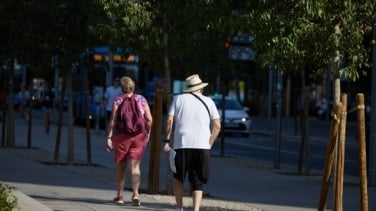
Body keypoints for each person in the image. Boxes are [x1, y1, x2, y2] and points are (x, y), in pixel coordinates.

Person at [163, 74, 221, 211]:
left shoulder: (177, 99)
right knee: (197, 180)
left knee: (178, 178)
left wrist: (166, 141)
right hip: (202, 146)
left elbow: (169, 121)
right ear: (200, 88)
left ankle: (179, 208)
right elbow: (217, 126)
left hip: (181, 144)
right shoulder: (209, 101)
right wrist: (210, 143)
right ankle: (195, 209)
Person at [105, 76, 152, 206]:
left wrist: (109, 137)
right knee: (135, 167)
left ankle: (120, 196)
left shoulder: (118, 100)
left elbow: (113, 120)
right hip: (139, 137)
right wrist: (147, 134)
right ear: (133, 87)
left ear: (122, 88)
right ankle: (136, 194)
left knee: (121, 166)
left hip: (121, 137)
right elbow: (149, 119)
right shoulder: (141, 99)